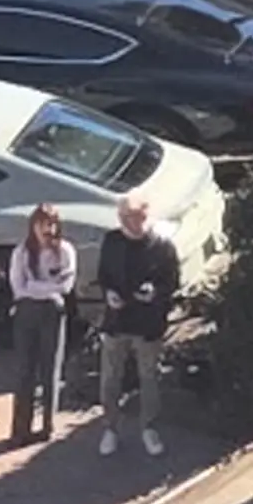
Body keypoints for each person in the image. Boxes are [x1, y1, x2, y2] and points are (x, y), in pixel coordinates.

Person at [96, 193, 180, 458]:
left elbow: (173, 281)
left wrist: (155, 292)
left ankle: (149, 428)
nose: (132, 222)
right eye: (126, 217)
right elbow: (103, 275)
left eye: (137, 216)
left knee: (149, 378)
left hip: (148, 323)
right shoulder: (112, 241)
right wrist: (109, 294)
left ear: (146, 214)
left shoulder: (161, 245)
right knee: (111, 378)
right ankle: (110, 428)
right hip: (117, 320)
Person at [8, 204, 76, 447]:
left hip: (52, 313)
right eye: (43, 224)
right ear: (33, 226)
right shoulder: (22, 253)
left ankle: (47, 426)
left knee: (50, 370)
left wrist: (37, 287)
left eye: (52, 224)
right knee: (24, 370)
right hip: (26, 312)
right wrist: (45, 288)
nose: (48, 229)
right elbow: (19, 287)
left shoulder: (65, 251)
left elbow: (65, 285)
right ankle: (20, 430)